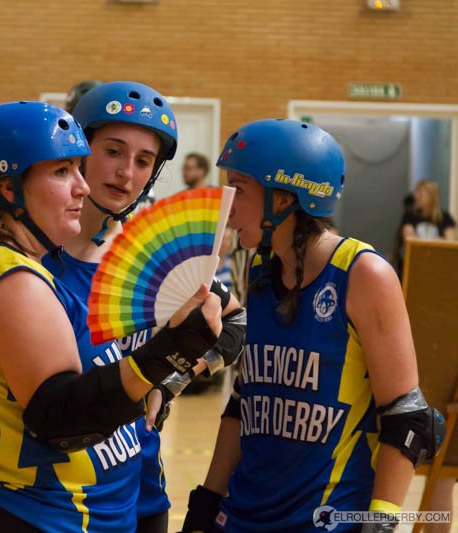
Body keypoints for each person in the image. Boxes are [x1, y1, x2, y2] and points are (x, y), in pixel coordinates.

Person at [0, 84, 246, 532]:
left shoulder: (156, 251)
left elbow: (234, 320)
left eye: (144, 161)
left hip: (129, 481)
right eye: (113, 151)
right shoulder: (12, 248)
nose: (126, 173)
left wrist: (170, 379)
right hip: (33, 491)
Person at [180, 119, 445, 532]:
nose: (226, 206)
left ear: (284, 197)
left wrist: (379, 524)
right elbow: (243, 402)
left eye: (239, 189)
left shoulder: (363, 274)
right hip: (242, 514)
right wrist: (207, 501)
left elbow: (408, 419)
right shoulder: (261, 268)